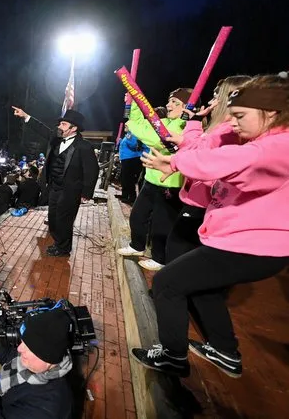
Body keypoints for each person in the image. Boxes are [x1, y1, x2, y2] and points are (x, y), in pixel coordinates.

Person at [133, 74, 289, 378]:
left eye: (240, 116)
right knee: (203, 289)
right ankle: (225, 352)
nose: (232, 123)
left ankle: (172, 356)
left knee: (167, 283)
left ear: (270, 113)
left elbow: (233, 160)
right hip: (243, 242)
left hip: (253, 246)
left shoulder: (278, 145)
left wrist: (177, 163)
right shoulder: (268, 140)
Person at [161, 76, 251, 263]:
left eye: (216, 96)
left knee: (178, 252)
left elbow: (203, 158)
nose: (211, 102)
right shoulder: (220, 128)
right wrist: (191, 128)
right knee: (179, 251)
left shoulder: (228, 131)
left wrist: (175, 162)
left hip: (203, 201)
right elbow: (198, 148)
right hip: (200, 199)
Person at [116, 88, 190, 271]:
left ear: (187, 107)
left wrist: (135, 128)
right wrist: (132, 104)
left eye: (176, 103)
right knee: (137, 215)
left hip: (170, 184)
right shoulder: (164, 121)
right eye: (170, 101)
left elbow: (157, 139)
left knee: (161, 224)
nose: (169, 105)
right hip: (151, 180)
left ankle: (159, 257)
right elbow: (140, 124)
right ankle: (137, 246)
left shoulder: (185, 126)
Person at [12, 107, 99, 257]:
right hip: (54, 187)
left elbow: (92, 171)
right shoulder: (56, 139)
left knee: (64, 220)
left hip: (71, 190)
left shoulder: (84, 147)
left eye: (64, 124)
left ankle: (63, 248)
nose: (59, 126)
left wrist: (86, 192)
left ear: (74, 128)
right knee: (53, 217)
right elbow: (42, 129)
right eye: (60, 124)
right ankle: (58, 242)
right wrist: (26, 116)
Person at [0, 309, 74, 419]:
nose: (20, 349)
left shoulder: (44, 409)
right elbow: (11, 358)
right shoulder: (39, 361)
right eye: (22, 342)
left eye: (28, 348)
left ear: (47, 359)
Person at [117, 127, 147, 205]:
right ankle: (125, 195)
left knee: (129, 179)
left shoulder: (132, 134)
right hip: (126, 158)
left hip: (131, 159)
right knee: (124, 178)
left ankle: (131, 197)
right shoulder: (128, 134)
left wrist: (128, 138)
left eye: (127, 125)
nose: (125, 126)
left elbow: (134, 145)